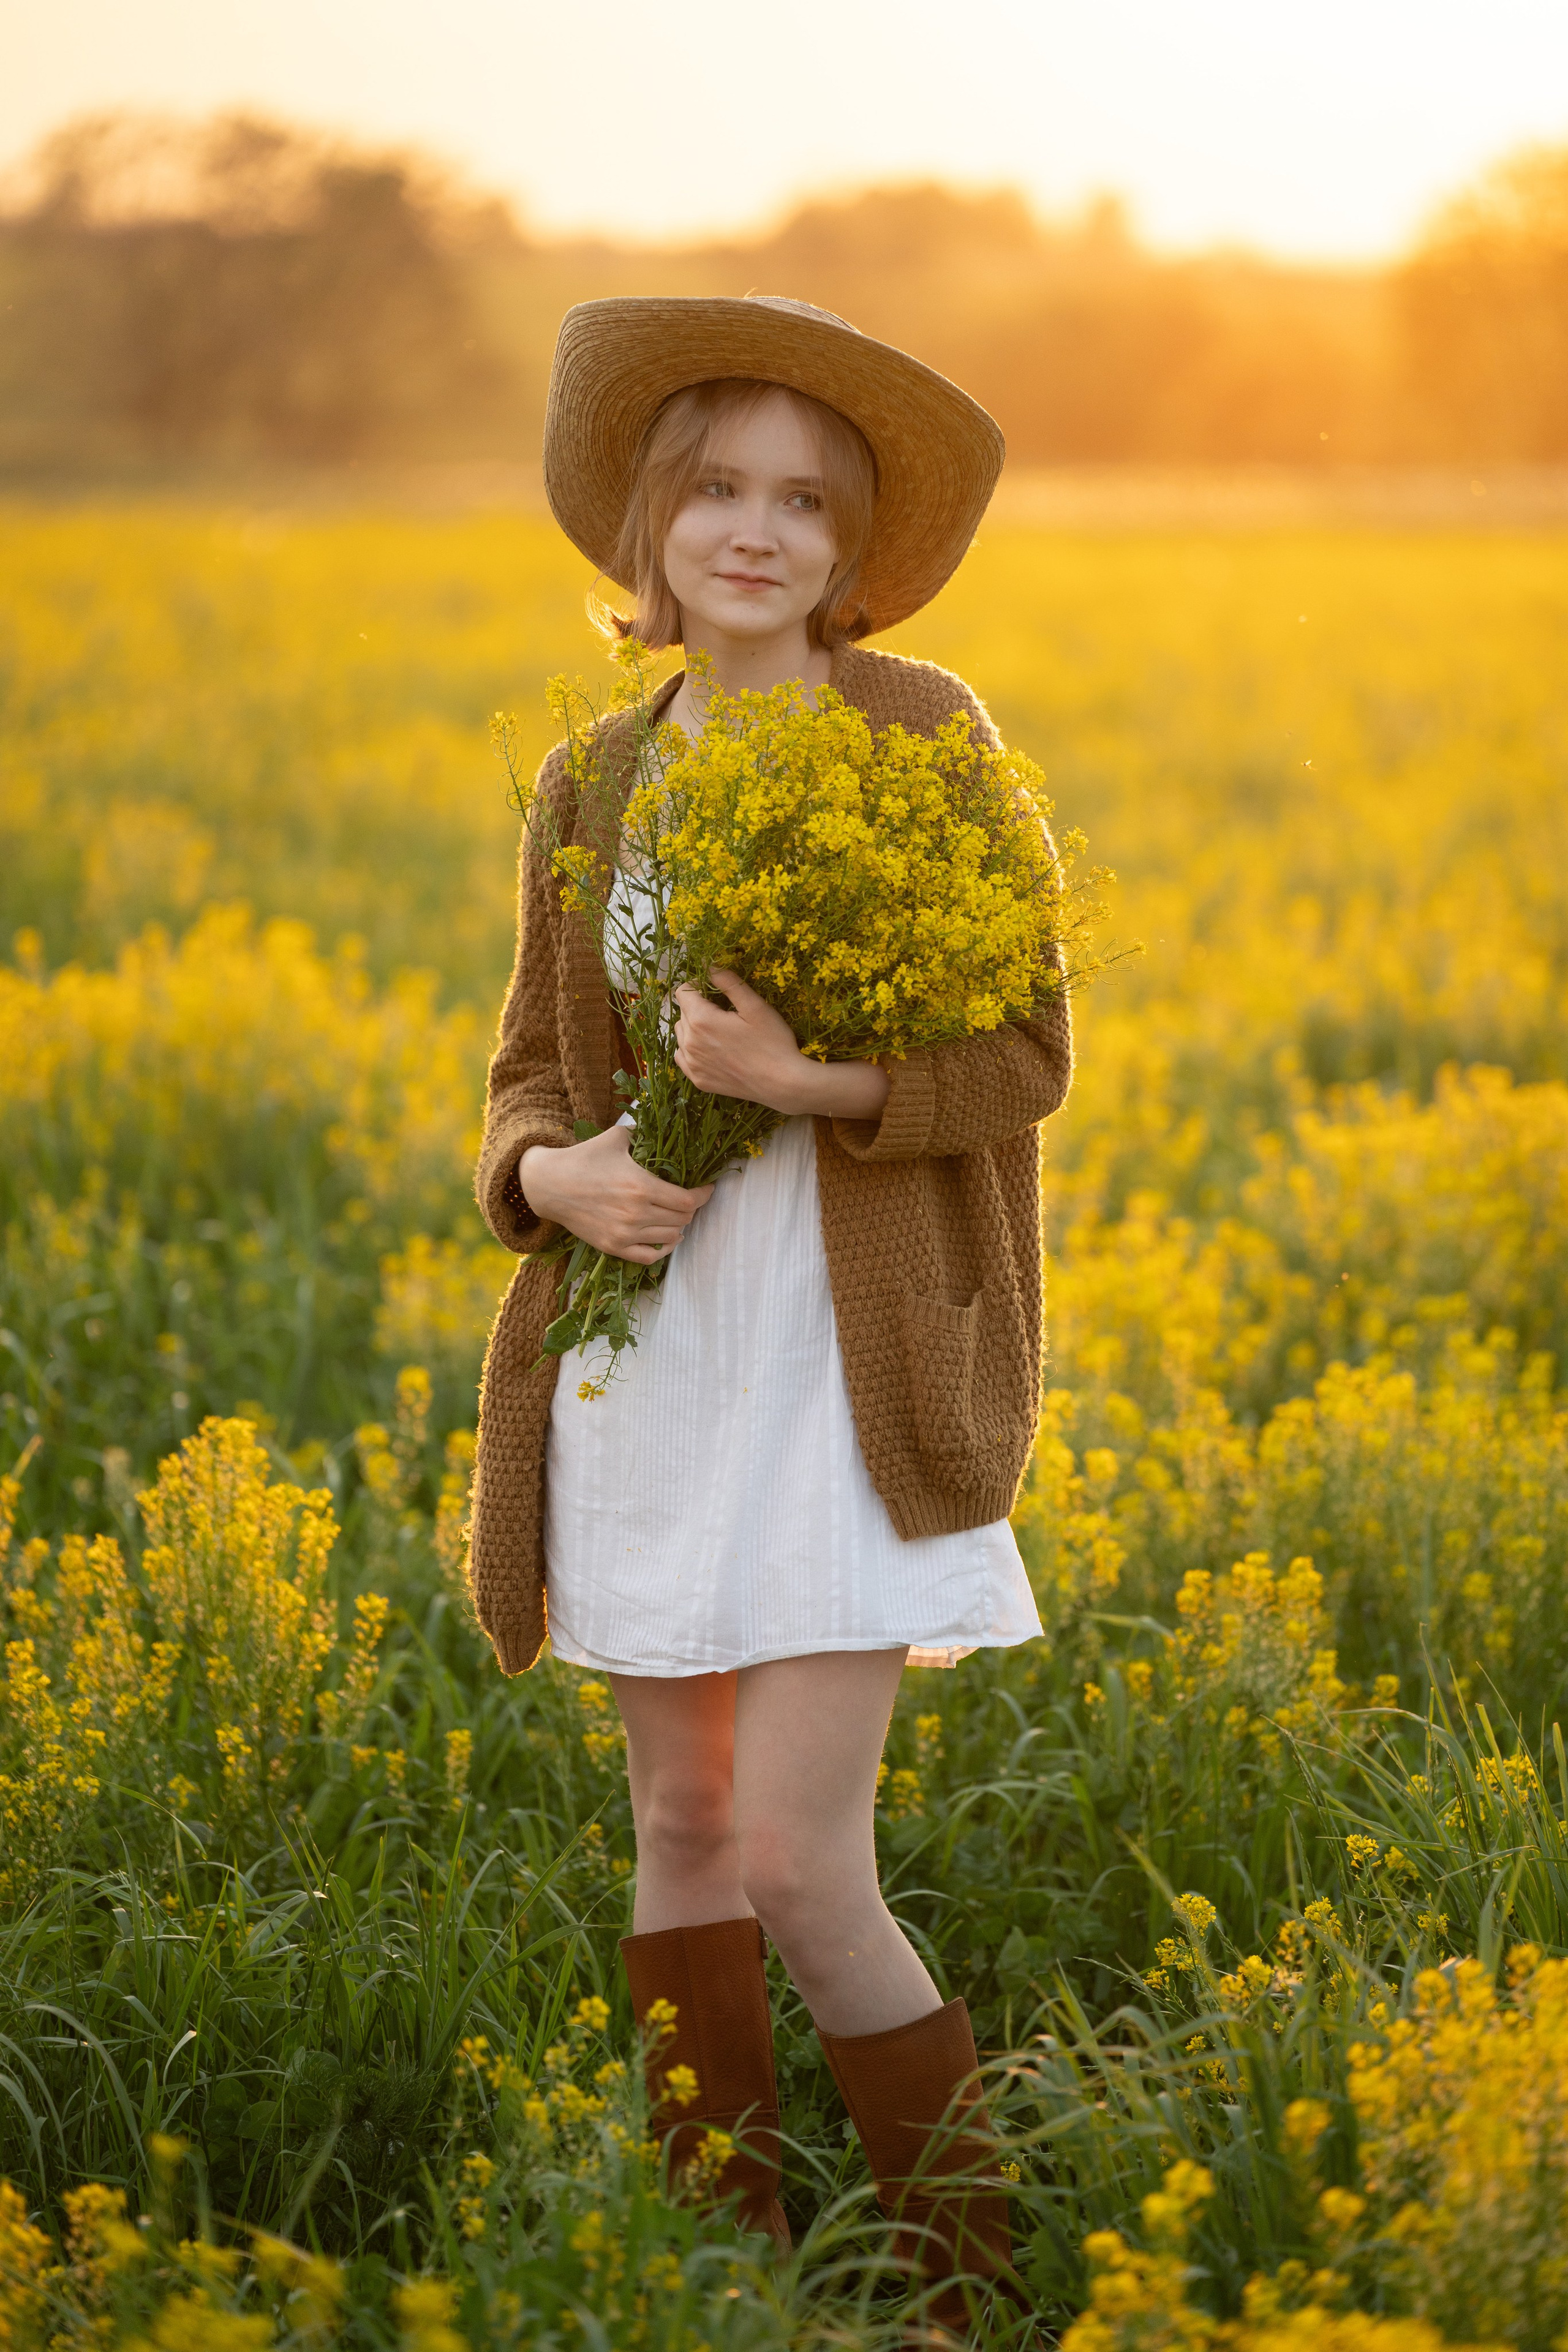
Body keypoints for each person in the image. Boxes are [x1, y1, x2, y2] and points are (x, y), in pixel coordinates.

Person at [469, 295, 1072, 2327]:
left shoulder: (924, 735)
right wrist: (557, 1181)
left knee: (810, 1862)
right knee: (682, 1816)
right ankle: (721, 2275)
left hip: (845, 1368)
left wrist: (799, 1087)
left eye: (802, 500)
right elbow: (531, 1081)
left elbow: (1026, 1057)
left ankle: (957, 2283)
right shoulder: (587, 778)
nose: (754, 530)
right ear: (646, 525)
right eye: (715, 489)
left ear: (851, 543)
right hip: (647, 1366)